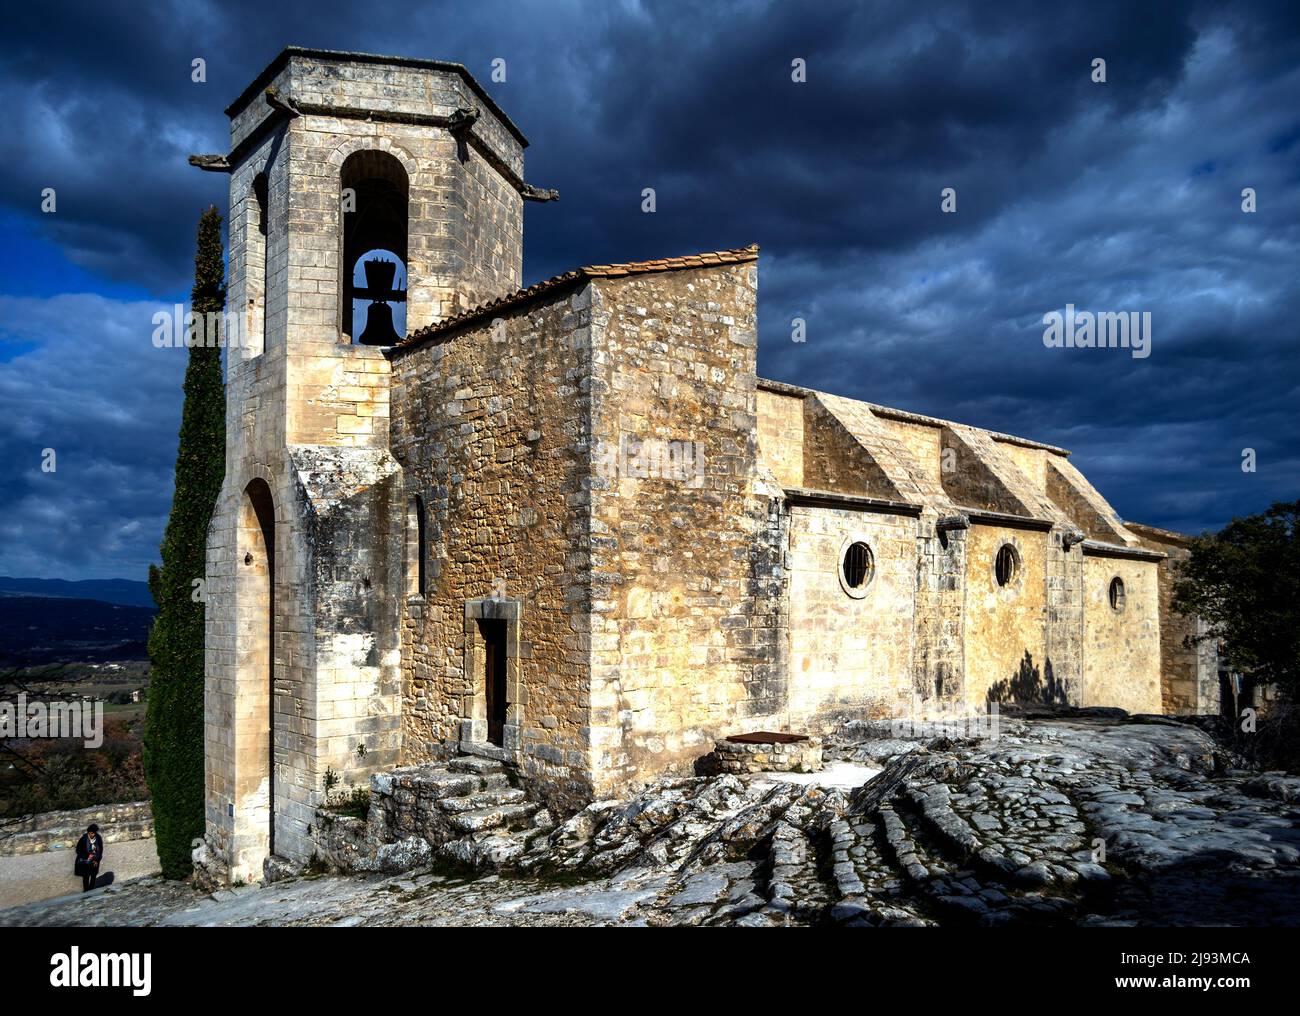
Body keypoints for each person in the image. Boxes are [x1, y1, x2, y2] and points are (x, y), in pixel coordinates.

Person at [74, 823, 104, 892]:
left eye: (94, 833)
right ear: (88, 832)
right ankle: (86, 891)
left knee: (93, 875)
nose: (92, 835)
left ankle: (91, 891)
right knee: (86, 876)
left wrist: (97, 860)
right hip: (86, 861)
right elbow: (78, 850)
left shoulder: (98, 838)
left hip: (95, 860)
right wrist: (87, 856)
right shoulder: (83, 839)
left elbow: (100, 850)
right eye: (91, 833)